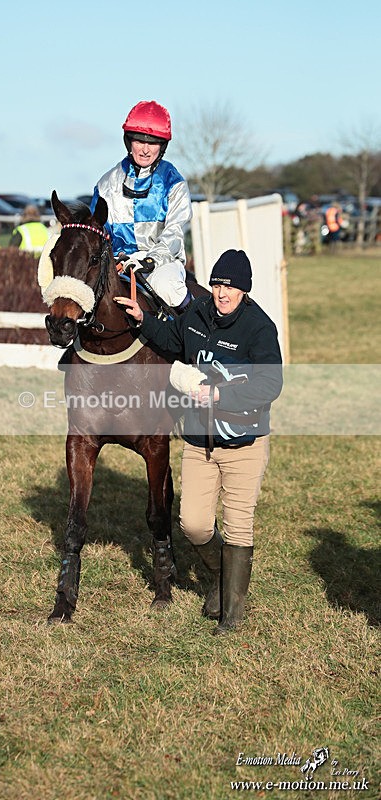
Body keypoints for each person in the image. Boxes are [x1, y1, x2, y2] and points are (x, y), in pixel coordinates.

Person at [114, 249, 283, 635]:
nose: (223, 293)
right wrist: (142, 321)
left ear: (245, 290)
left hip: (244, 443)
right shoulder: (198, 314)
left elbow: (271, 383)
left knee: (238, 526)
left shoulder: (259, 328)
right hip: (199, 442)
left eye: (232, 287)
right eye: (219, 284)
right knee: (193, 525)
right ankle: (225, 581)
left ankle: (231, 616)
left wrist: (222, 396)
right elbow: (171, 341)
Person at [90, 100, 193, 312]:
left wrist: (150, 260)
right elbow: (97, 233)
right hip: (117, 266)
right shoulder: (106, 184)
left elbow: (174, 233)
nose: (145, 150)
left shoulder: (174, 183)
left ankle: (194, 336)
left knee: (167, 287)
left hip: (161, 264)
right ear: (129, 142)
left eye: (153, 143)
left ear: (162, 146)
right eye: (139, 141)